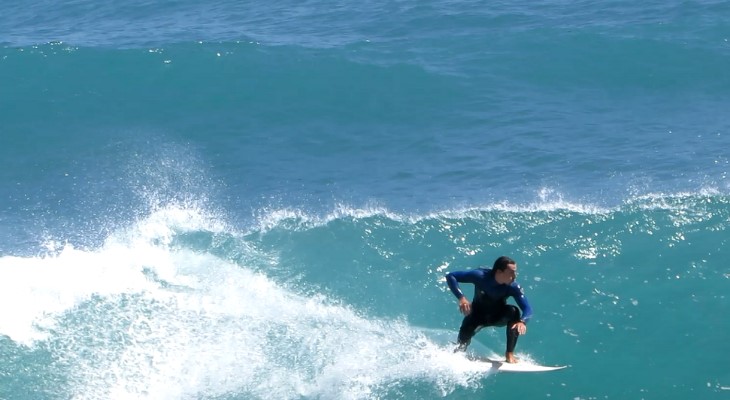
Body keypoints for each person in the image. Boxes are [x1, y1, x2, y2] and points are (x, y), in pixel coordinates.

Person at [445, 256, 533, 363]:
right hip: (477, 315)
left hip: (498, 316)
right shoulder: (479, 276)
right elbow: (451, 276)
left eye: (515, 272)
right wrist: (461, 298)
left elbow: (527, 308)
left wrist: (522, 321)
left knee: (514, 311)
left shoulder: (513, 287)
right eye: (511, 273)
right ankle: (459, 351)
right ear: (499, 272)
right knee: (461, 345)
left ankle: (509, 354)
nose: (515, 276)